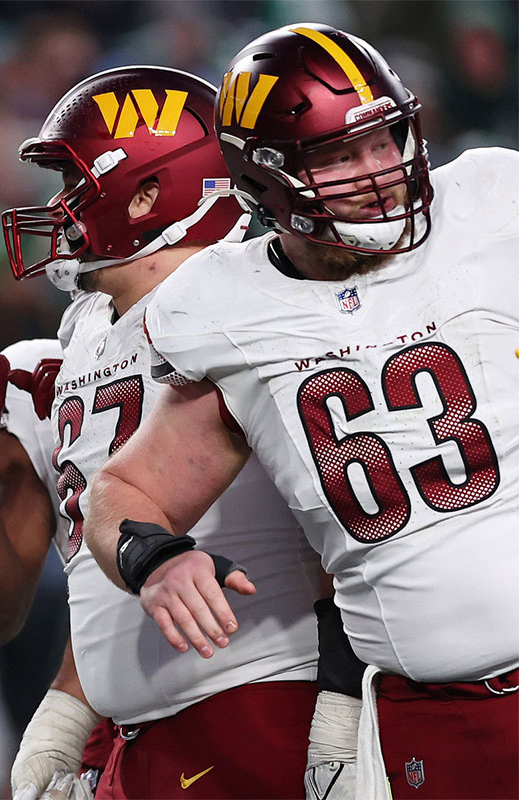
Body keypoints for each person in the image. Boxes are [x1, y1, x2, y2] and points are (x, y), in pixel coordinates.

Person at [84, 23, 519, 800]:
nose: (380, 171)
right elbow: (123, 496)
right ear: (266, 175)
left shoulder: (489, 204)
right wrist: (155, 559)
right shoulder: (218, 307)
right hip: (431, 715)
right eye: (340, 156)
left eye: (385, 141)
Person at [0, 67, 326, 799]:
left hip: (255, 695)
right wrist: (73, 702)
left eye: (75, 185)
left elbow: (331, 517)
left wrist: (341, 694)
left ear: (149, 192)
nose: (59, 208)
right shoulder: (85, 327)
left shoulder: (248, 300)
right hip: (146, 726)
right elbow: (109, 564)